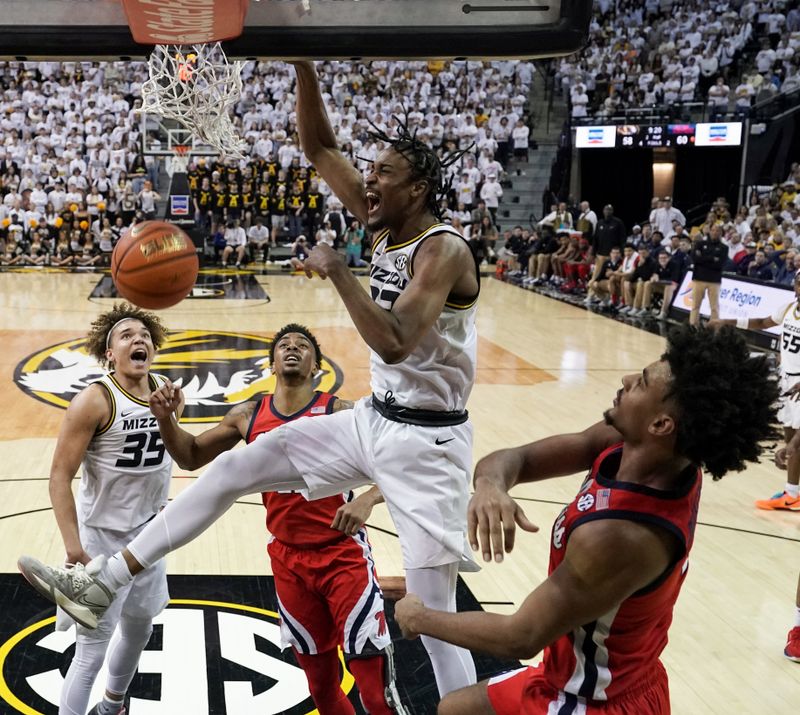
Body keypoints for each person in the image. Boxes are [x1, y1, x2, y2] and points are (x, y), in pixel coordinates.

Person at [19, 59, 480, 700]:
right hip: (377, 419)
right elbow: (319, 146)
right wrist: (301, 63)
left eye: (383, 175)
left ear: (419, 189)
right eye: (368, 173)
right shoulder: (382, 216)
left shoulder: (444, 249)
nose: (368, 183)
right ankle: (106, 578)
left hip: (430, 446)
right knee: (235, 469)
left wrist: (339, 270)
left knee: (438, 619)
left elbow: (398, 342)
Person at [392, 325, 779, 714]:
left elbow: (521, 636)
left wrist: (420, 617)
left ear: (660, 425)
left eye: (642, 383)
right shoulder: (646, 450)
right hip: (587, 672)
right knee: (455, 709)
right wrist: (490, 486)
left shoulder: (622, 535)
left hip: (592, 699)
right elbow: (519, 458)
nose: (627, 380)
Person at [147, 323, 407, 714]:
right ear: (271, 364)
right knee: (321, 687)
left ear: (317, 366)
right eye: (284, 344)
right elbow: (190, 456)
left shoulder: (339, 411)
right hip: (289, 561)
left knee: (373, 689)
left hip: (342, 556)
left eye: (302, 346)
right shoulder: (248, 415)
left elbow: (402, 460)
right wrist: (167, 419)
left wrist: (367, 500)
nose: (292, 348)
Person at [42, 303, 176, 715]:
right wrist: (73, 548)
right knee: (91, 651)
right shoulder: (93, 401)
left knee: (139, 630)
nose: (139, 339)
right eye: (126, 335)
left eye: (144, 335)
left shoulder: (166, 390)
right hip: (101, 541)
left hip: (149, 539)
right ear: (109, 355)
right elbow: (59, 477)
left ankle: (113, 705)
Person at [709, 272, 800, 512]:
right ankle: (794, 490)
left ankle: (792, 495)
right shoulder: (790, 307)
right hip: (787, 379)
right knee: (790, 436)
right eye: (799, 282)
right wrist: (727, 322)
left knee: (796, 443)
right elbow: (762, 323)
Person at [689, 225, 726, 325]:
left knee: (714, 307)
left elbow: (720, 264)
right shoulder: (699, 244)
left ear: (720, 233)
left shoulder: (724, 248)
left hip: (714, 281)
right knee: (695, 305)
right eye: (713, 230)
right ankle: (693, 325)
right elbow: (695, 259)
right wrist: (712, 259)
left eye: (717, 231)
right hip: (698, 278)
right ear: (709, 231)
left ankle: (714, 328)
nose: (715, 232)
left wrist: (703, 258)